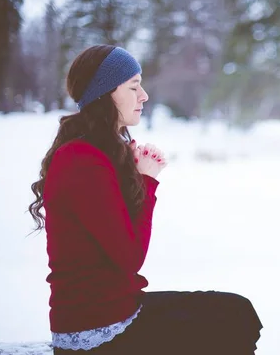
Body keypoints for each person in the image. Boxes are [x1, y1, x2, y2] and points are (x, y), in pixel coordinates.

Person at [28, 44, 263, 354]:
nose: (144, 96)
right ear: (105, 92)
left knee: (237, 313)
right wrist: (147, 180)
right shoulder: (81, 160)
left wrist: (136, 176)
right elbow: (129, 257)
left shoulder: (95, 154)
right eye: (133, 86)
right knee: (232, 318)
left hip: (115, 314)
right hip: (97, 332)